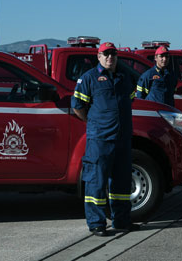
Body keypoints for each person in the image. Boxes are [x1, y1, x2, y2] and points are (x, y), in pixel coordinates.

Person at [72, 41, 139, 237]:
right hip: (100, 140)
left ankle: (121, 221)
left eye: (113, 54)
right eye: (106, 54)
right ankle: (96, 224)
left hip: (122, 139)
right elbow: (78, 106)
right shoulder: (89, 79)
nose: (110, 57)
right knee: (96, 182)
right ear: (98, 56)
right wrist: (94, 123)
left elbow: (131, 99)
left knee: (121, 183)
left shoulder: (124, 78)